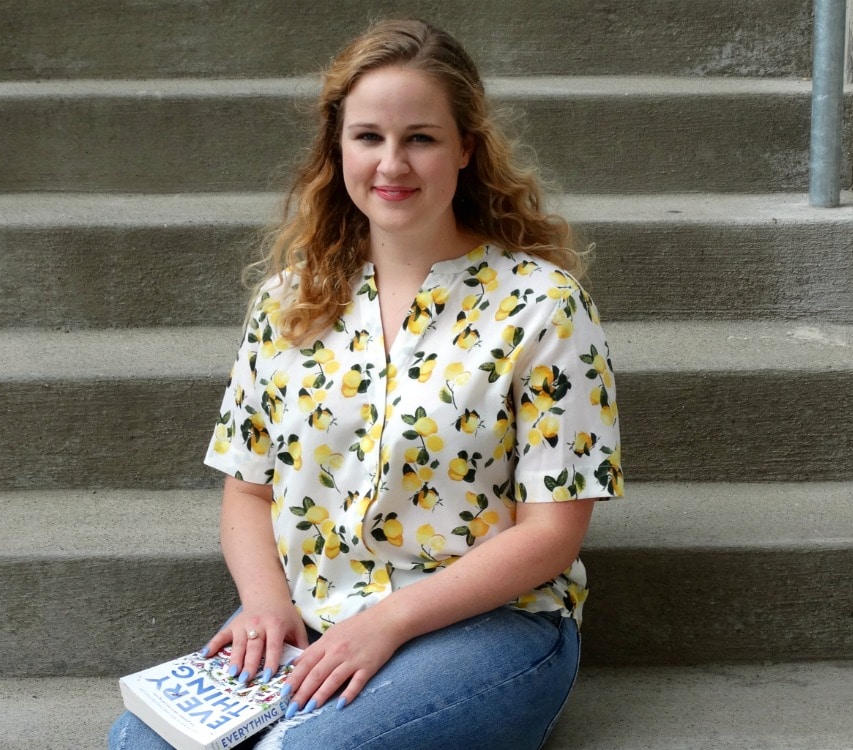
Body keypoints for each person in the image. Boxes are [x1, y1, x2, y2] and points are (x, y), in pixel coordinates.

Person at [110, 17, 622, 750]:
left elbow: (551, 533)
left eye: (421, 137)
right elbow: (248, 489)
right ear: (337, 148)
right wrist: (262, 604)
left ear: (465, 149)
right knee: (139, 744)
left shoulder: (542, 304)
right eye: (368, 137)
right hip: (312, 617)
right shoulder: (290, 301)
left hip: (490, 625)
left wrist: (384, 624)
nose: (392, 163)